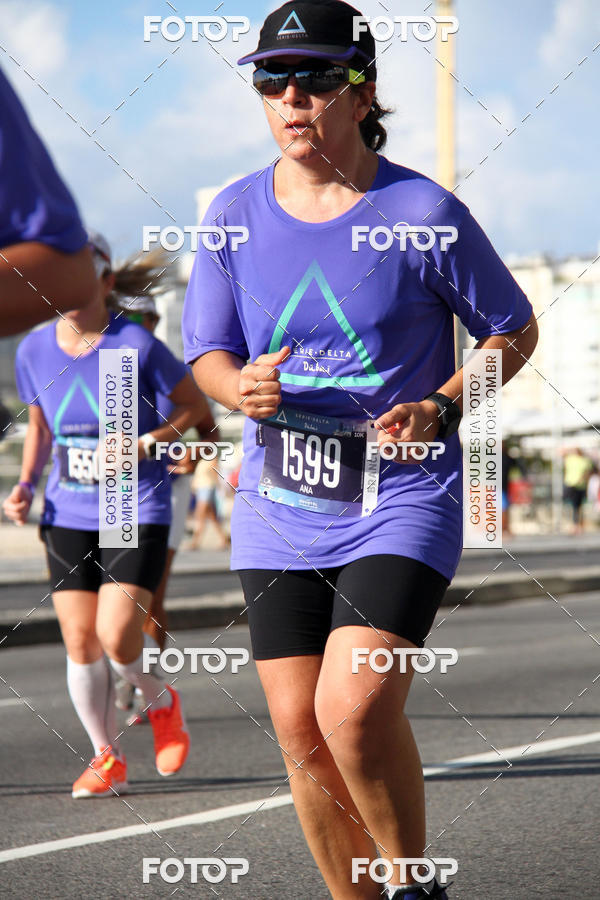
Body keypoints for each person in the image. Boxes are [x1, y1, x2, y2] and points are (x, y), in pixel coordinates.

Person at [182, 2, 539, 897]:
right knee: (301, 732)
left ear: (362, 89)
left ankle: (412, 883)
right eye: (273, 78)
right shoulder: (232, 214)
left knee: (351, 707)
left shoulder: (421, 211)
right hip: (280, 502)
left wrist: (443, 405)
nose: (291, 95)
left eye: (315, 75)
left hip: (401, 494)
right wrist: (238, 389)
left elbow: (512, 330)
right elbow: (208, 354)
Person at [3, 233, 207, 798]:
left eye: (77, 278)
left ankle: (161, 701)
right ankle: (105, 755)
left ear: (105, 282)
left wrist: (149, 441)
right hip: (66, 508)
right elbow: (40, 426)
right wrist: (24, 486)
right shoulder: (33, 350)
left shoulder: (133, 345)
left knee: (117, 636)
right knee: (79, 640)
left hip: (130, 502)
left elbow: (194, 405)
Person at [115, 294, 217, 725]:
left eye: (142, 317)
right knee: (114, 595)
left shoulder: (173, 370)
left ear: (155, 320)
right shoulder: (105, 368)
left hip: (167, 492)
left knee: (151, 595)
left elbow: (210, 432)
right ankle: (129, 670)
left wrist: (193, 457)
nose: (133, 324)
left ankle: (146, 684)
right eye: (124, 316)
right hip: (116, 492)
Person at [0, 66, 96, 336]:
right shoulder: (35, 349)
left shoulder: (127, 344)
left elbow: (67, 270)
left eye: (99, 258)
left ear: (110, 280)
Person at [188, 455, 231, 550]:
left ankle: (195, 542)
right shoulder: (202, 459)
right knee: (212, 517)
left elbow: (215, 473)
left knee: (199, 515)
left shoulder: (211, 459)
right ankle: (224, 539)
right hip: (201, 489)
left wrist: (220, 487)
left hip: (207, 488)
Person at [563, 447, 594, 534]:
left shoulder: (584, 461)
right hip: (571, 485)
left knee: (577, 506)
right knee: (573, 506)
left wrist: (582, 479)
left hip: (579, 485)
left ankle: (577, 525)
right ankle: (575, 525)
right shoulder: (570, 459)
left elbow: (588, 472)